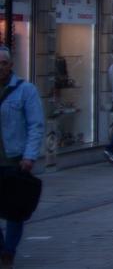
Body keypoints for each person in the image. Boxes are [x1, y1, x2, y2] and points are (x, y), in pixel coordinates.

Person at [0, 47, 44, 268]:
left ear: (10, 65)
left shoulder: (25, 90)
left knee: (14, 211)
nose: (0, 67)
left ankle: (9, 251)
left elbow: (35, 125)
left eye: (3, 63)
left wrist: (29, 155)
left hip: (14, 160)